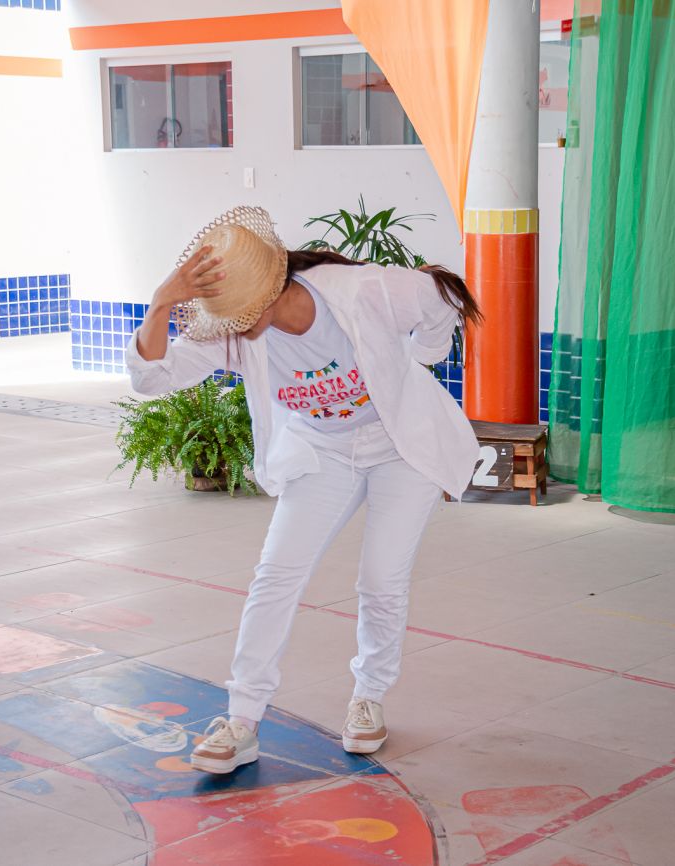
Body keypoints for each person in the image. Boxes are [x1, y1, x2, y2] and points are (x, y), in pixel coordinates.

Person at [127, 206, 482, 774]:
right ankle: (242, 720)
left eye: (241, 314)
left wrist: (422, 355)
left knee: (381, 579)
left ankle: (368, 696)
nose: (234, 327)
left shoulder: (363, 291)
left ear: (269, 292)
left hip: (400, 446)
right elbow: (151, 377)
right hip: (323, 450)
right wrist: (160, 302)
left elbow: (441, 298)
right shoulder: (237, 333)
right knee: (275, 575)